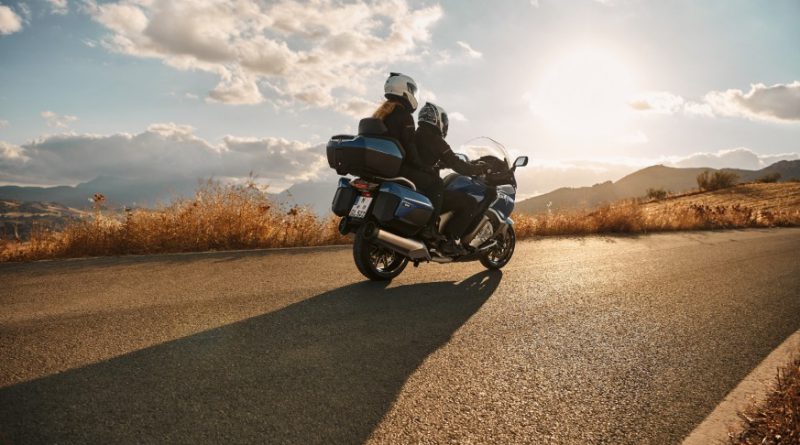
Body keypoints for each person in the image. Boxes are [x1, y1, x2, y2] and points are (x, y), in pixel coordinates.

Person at [371, 73, 442, 241]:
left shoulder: (379, 115)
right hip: (399, 169)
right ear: (406, 91)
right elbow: (409, 148)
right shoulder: (404, 117)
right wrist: (426, 167)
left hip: (379, 169)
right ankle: (430, 229)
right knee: (437, 183)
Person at [414, 102, 489, 254]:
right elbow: (459, 165)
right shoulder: (436, 140)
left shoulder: (414, 134)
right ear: (437, 120)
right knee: (469, 202)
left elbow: (421, 159)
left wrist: (438, 165)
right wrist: (481, 168)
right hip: (428, 189)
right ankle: (450, 241)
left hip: (416, 184)